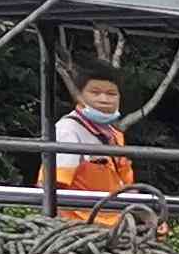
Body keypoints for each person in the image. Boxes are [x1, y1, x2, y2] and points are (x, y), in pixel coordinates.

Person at [49, 68, 137, 226]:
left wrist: (145, 217)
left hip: (116, 226)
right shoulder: (68, 131)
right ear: (80, 96)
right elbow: (52, 188)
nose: (104, 99)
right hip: (80, 227)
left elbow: (128, 187)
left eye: (111, 94)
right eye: (95, 92)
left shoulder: (115, 135)